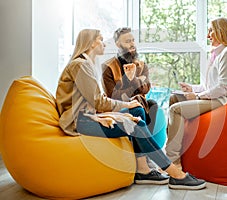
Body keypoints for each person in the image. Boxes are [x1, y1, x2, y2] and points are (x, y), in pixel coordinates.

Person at [56, 28, 206, 190]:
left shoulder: (87, 64)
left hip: (89, 117)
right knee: (137, 124)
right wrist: (126, 104)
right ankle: (176, 175)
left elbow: (141, 89)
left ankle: (142, 170)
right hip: (81, 122)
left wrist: (128, 103)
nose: (103, 43)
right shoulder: (81, 65)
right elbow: (99, 101)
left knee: (137, 112)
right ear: (91, 43)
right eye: (100, 39)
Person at [166, 17, 227, 170]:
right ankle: (174, 148)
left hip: (224, 100)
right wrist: (192, 88)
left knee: (174, 110)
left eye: (211, 30)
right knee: (174, 98)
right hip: (217, 97)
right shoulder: (217, 53)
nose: (208, 35)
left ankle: (173, 162)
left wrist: (196, 96)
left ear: (221, 32)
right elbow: (209, 86)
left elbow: (223, 88)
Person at [102, 27, 157, 133]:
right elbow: (112, 96)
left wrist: (133, 79)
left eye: (133, 40)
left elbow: (146, 89)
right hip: (119, 106)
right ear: (118, 44)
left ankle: (146, 141)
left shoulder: (142, 65)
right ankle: (144, 145)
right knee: (138, 107)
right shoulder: (108, 67)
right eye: (128, 41)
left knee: (152, 104)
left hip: (139, 103)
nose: (132, 44)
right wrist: (135, 86)